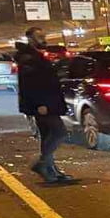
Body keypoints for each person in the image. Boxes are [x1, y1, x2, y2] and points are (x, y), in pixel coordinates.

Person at [15, 27, 72, 183]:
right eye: (39, 36)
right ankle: (41, 163)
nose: (43, 38)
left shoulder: (35, 56)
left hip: (48, 101)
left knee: (47, 135)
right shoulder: (28, 58)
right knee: (59, 132)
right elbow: (31, 84)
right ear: (30, 39)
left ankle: (51, 170)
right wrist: (40, 103)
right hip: (43, 104)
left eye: (43, 35)